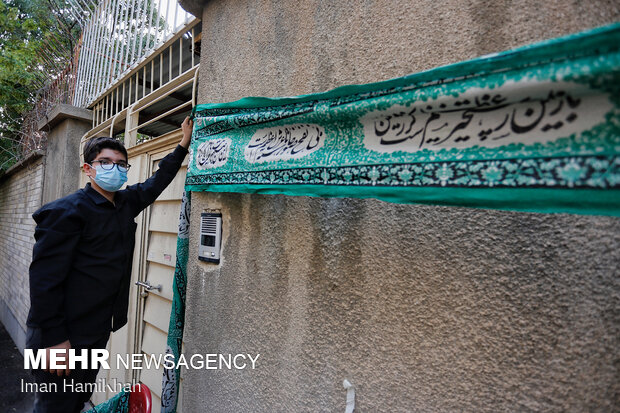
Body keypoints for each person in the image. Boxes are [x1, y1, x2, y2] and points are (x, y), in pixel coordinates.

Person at [26, 116, 194, 413]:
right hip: (60, 337)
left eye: (120, 163)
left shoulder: (124, 203)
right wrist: (54, 340)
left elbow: (156, 182)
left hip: (94, 330)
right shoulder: (66, 212)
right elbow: (44, 280)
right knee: (54, 406)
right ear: (88, 169)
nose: (114, 168)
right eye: (105, 161)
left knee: (76, 400)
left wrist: (183, 144)